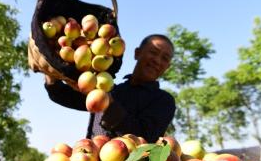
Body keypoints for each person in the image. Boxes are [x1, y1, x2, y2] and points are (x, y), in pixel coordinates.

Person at [44, 34, 176, 143]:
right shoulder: (113, 89)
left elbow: (146, 137)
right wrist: (50, 75)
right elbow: (69, 97)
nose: (157, 61)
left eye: (164, 58)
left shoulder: (164, 101)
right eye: (153, 52)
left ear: (168, 66)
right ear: (137, 53)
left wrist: (108, 104)